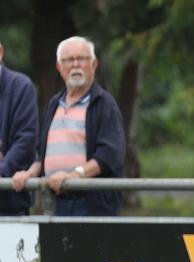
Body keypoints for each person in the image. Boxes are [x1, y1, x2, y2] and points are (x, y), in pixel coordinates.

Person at [12, 36, 126, 216]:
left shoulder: (103, 104)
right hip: (55, 201)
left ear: (94, 65)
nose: (75, 65)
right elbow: (42, 154)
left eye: (81, 59)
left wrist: (74, 176)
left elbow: (110, 154)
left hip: (90, 204)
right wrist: (29, 174)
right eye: (69, 60)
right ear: (59, 67)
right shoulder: (54, 104)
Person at [0, 40, 38, 215]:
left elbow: (26, 139)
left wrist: (2, 170)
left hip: (10, 202)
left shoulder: (21, 87)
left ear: (0, 52)